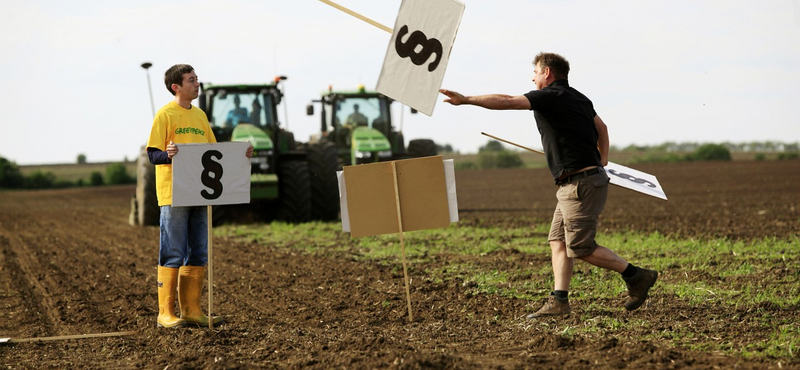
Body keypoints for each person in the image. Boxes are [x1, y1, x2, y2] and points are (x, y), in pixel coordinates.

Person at [439, 52, 657, 318]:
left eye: (535, 72)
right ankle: (559, 302)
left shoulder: (550, 96)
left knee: (581, 247)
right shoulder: (579, 98)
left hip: (580, 185)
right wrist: (603, 157)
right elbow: (602, 128)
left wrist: (466, 100)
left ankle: (637, 276)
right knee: (558, 241)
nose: (532, 78)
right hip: (575, 184)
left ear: (548, 73)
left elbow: (507, 101)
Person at [146, 64, 253, 328]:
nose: (197, 84)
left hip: (200, 192)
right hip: (174, 194)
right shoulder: (165, 115)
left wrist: (242, 156)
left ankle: (192, 311)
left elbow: (214, 153)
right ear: (176, 87)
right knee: (172, 251)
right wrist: (167, 155)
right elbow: (153, 154)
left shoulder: (201, 117)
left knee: (198, 252)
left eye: (197, 79)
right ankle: (165, 314)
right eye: (191, 80)